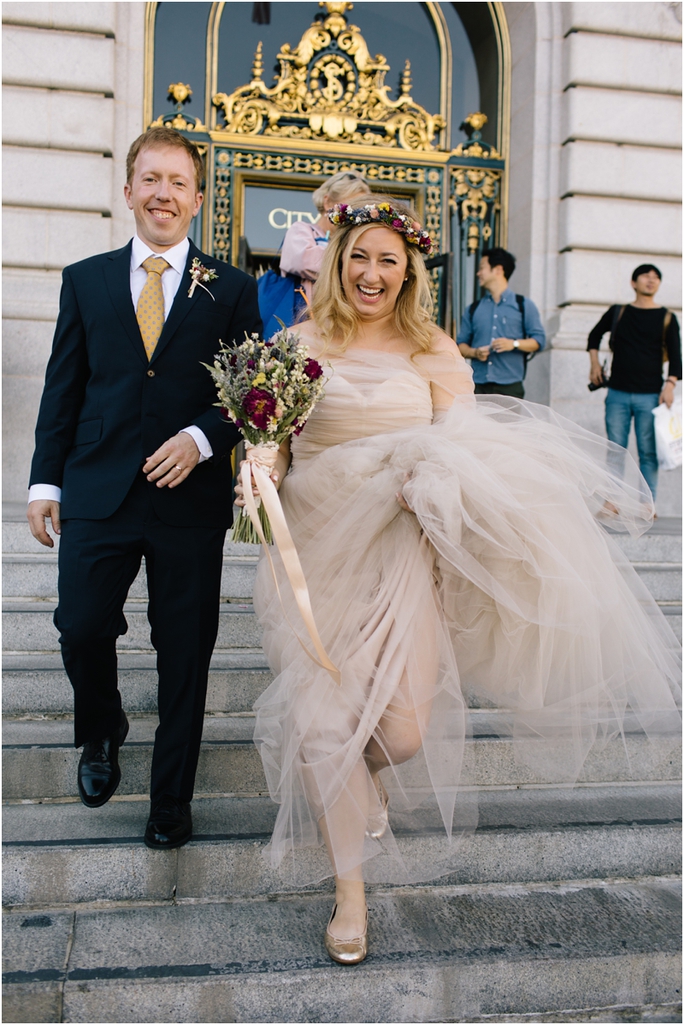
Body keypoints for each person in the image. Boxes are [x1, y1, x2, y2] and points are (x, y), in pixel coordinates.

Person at [238, 198, 680, 965]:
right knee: (322, 724)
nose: (372, 273)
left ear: (409, 272)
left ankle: (359, 781)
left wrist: (550, 490)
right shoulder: (297, 343)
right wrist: (257, 471)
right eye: (359, 257)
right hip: (315, 558)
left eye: (389, 261)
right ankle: (351, 894)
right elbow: (275, 445)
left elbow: (472, 453)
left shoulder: (435, 349)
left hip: (403, 557)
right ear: (338, 260)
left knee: (402, 731)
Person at [27, 127, 261, 850]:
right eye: (150, 179)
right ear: (128, 190)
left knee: (185, 649)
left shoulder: (232, 287)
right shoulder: (85, 279)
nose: (163, 193)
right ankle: (101, 729)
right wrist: (45, 479)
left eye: (178, 182)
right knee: (82, 626)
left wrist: (199, 441)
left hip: (188, 501)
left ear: (197, 199)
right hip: (97, 489)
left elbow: (249, 388)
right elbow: (63, 387)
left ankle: (171, 799)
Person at [587, 264, 681, 502]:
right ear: (633, 282)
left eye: (656, 277)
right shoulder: (618, 312)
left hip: (650, 395)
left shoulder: (667, 318)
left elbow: (676, 356)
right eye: (646, 276)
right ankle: (612, 502)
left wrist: (670, 385)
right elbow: (594, 335)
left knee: (648, 452)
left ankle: (647, 505)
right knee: (616, 449)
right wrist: (594, 365)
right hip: (617, 392)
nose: (651, 280)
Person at [457, 248, 546, 398]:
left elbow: (539, 341)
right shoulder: (473, 309)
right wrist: (475, 353)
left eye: (482, 268)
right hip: (478, 387)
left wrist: (513, 344)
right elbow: (460, 346)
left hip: (510, 388)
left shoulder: (524, 305)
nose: (478, 273)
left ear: (498, 270)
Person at [278, 170, 370, 303]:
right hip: (305, 316)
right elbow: (302, 260)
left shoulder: (353, 240)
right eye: (349, 208)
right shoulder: (301, 230)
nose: (354, 216)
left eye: (360, 210)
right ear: (328, 203)